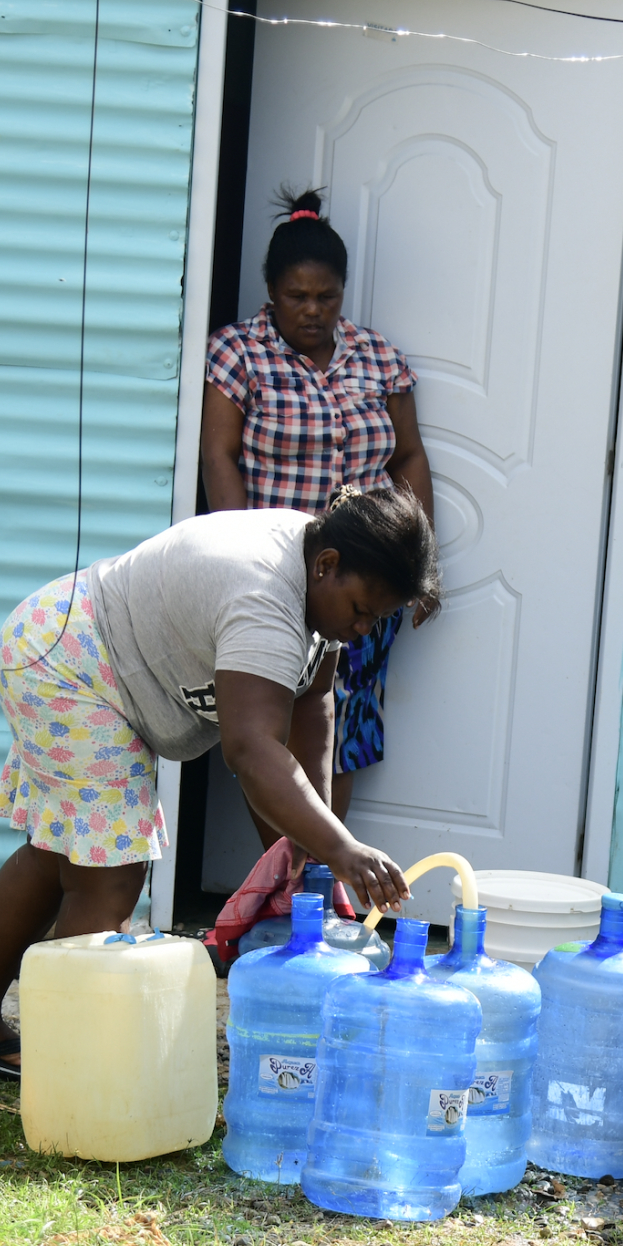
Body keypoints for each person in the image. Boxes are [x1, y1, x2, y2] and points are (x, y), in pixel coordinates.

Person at [0, 488, 439, 1077]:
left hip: (70, 645)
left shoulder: (323, 566)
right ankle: (63, 1069)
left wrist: (311, 839)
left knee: (59, 856)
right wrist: (341, 848)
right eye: (362, 610)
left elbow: (313, 701)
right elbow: (251, 748)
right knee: (110, 876)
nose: (364, 630)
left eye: (377, 618)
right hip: (71, 663)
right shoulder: (264, 596)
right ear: (327, 567)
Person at [199, 189, 436, 817]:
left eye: (326, 297)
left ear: (343, 290)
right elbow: (218, 454)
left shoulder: (379, 359)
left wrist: (420, 567)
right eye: (297, 297)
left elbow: (408, 457)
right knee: (271, 731)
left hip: (363, 581)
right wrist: (234, 547)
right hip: (281, 577)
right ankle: (287, 887)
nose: (312, 311)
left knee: (342, 733)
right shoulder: (237, 353)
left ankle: (323, 883)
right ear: (271, 291)